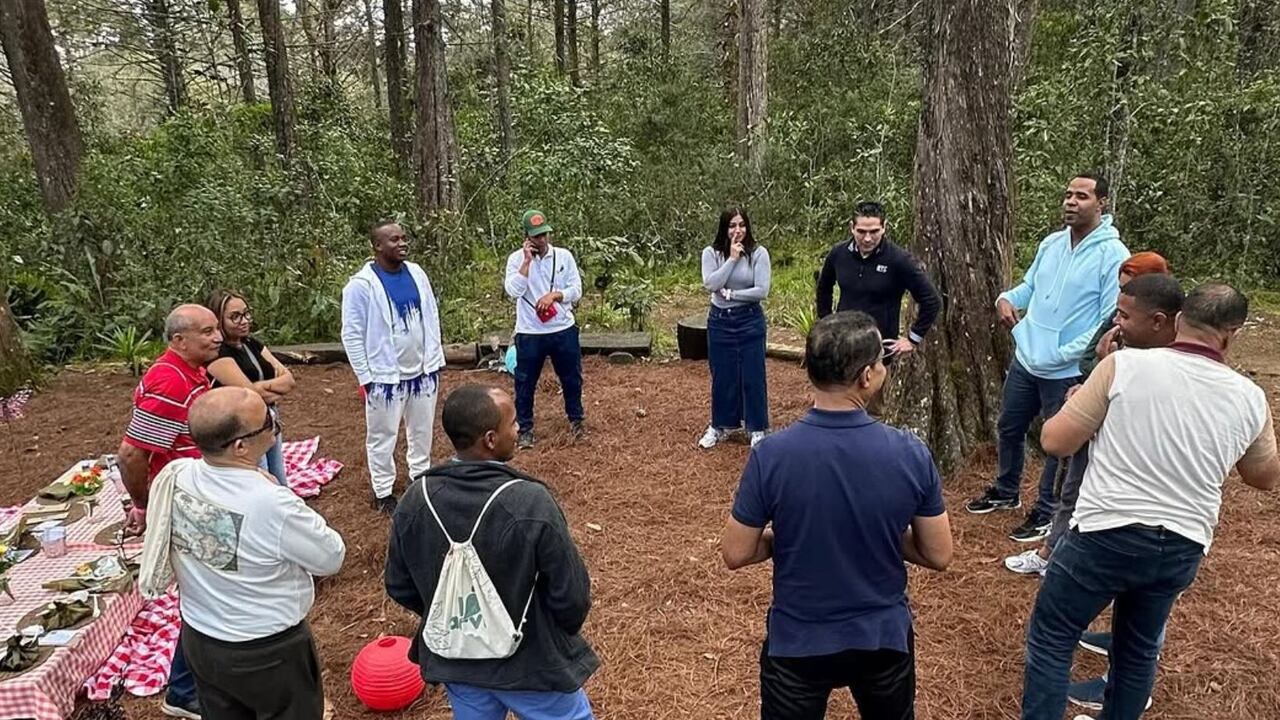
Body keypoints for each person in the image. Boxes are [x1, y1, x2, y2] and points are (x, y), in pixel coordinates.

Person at [1021, 283, 1280, 720]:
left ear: (1178, 320)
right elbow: (1263, 477)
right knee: (1137, 652)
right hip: (1182, 544)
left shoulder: (1123, 366)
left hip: (1106, 533)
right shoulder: (1249, 397)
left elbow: (1054, 440)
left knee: (1053, 635)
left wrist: (1093, 387)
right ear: (1231, 334)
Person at [722, 311, 954, 720]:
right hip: (882, 640)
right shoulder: (909, 453)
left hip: (797, 642)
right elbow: (938, 554)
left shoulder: (771, 456)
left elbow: (736, 552)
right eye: (881, 363)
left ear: (809, 369)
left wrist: (789, 538)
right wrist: (878, 534)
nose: (884, 370)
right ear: (866, 376)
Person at [385, 384, 598, 720]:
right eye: (512, 423)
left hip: (458, 664)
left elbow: (399, 584)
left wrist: (459, 615)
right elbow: (571, 595)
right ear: (489, 439)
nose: (518, 430)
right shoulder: (529, 501)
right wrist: (550, 632)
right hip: (532, 665)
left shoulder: (416, 499)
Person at [159, 387, 345, 720]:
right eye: (268, 422)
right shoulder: (271, 502)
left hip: (200, 637)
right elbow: (331, 557)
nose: (276, 424)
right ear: (240, 446)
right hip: (267, 650)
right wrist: (275, 490)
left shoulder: (178, 475)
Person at [966, 172, 1131, 544]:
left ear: (1101, 203)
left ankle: (1045, 510)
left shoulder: (1113, 255)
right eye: (1069, 195)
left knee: (1055, 442)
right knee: (1009, 426)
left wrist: (1064, 354)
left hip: (1067, 369)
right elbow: (1030, 287)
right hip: (1027, 359)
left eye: (1082, 196)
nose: (1071, 202)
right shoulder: (1052, 243)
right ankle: (1006, 490)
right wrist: (1006, 299)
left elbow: (1108, 317)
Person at [1004, 253, 1176, 576]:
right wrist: (1095, 375)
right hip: (1097, 420)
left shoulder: (1174, 353)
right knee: (1073, 485)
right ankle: (1050, 552)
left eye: (1130, 292)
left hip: (1133, 440)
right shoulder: (1117, 318)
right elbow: (1088, 358)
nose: (1120, 308)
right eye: (1121, 290)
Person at [116, 304, 222, 719]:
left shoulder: (191, 373)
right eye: (206, 331)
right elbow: (131, 453)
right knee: (203, 598)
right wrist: (144, 505)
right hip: (183, 502)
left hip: (199, 494)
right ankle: (182, 690)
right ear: (179, 340)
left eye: (216, 330)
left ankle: (194, 681)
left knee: (208, 594)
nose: (216, 337)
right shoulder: (168, 380)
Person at [341, 219, 446, 514]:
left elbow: (431, 315)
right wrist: (366, 376)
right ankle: (383, 490)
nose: (402, 244)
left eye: (403, 238)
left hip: (422, 372)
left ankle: (419, 477)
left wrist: (434, 357)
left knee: (422, 429)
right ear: (377, 246)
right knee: (382, 435)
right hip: (385, 376)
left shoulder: (417, 273)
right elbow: (352, 333)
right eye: (393, 240)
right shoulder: (361, 286)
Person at [815, 201, 940, 361]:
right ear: (851, 227)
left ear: (884, 227)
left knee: (873, 386)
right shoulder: (839, 253)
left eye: (874, 231)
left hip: (879, 350)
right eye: (861, 231)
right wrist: (826, 322)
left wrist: (912, 339)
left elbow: (931, 300)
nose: (867, 239)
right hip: (843, 345)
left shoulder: (899, 260)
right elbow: (824, 287)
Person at [503, 210, 586, 449]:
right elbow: (514, 292)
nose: (541, 240)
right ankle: (525, 428)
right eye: (536, 236)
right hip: (530, 332)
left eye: (544, 235)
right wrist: (527, 262)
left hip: (562, 328)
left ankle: (576, 419)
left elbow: (576, 290)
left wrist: (555, 295)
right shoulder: (516, 260)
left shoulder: (564, 257)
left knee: (571, 377)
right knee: (525, 381)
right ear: (526, 237)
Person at [698, 207, 773, 449]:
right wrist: (731, 259)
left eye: (741, 225)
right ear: (724, 228)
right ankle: (721, 425)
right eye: (732, 225)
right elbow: (711, 283)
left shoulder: (759, 253)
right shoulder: (711, 253)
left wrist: (731, 294)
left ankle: (757, 428)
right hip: (720, 321)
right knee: (722, 375)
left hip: (749, 320)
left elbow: (761, 291)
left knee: (753, 375)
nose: (737, 230)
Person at [204, 289, 296, 486]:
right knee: (258, 475)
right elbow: (249, 395)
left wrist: (261, 389)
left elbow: (289, 379)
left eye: (246, 313)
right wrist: (268, 389)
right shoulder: (218, 354)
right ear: (219, 320)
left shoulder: (251, 344)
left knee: (278, 473)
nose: (244, 321)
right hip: (243, 428)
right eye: (235, 317)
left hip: (268, 418)